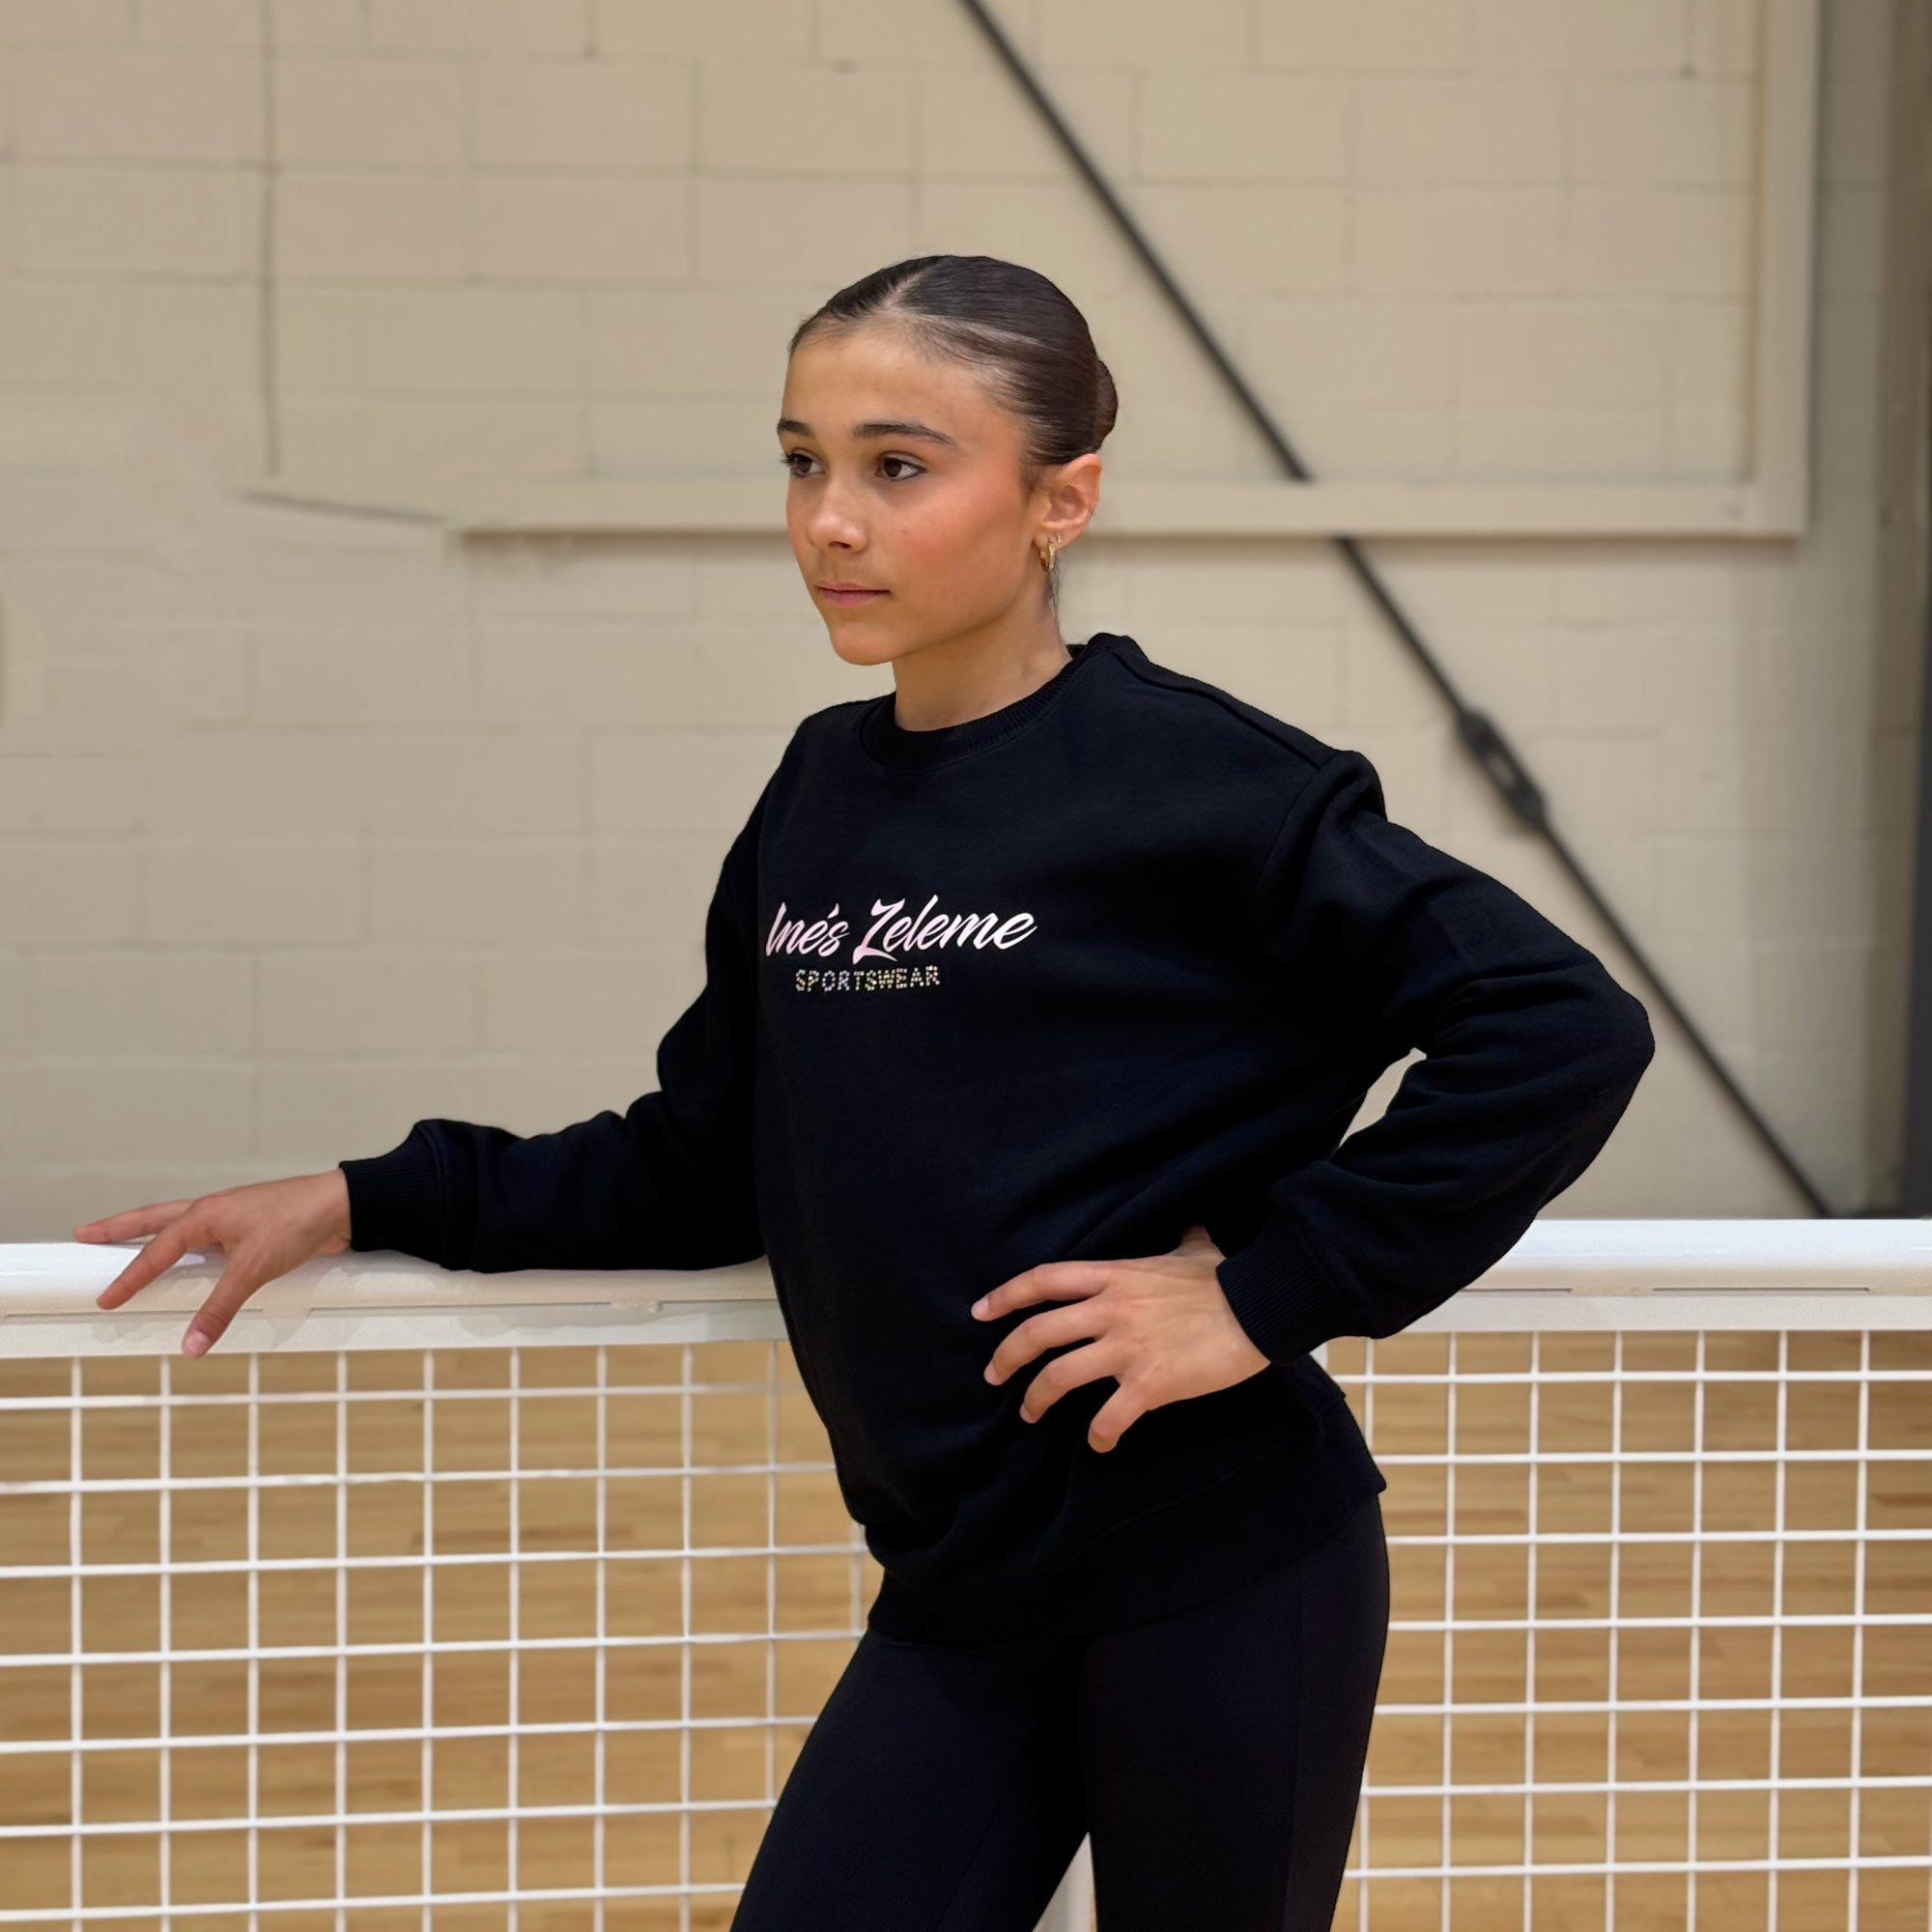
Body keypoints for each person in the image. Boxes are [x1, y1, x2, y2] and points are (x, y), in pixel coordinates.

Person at [77, 254, 1656, 1931]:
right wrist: (365, 1195)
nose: (831, 520)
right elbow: (702, 1162)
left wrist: (1266, 1291)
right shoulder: (821, 793)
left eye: (900, 466)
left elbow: (1558, 1026)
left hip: (1224, 1574)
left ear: (1060, 501)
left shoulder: (1205, 780)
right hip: (961, 1587)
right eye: (802, 461)